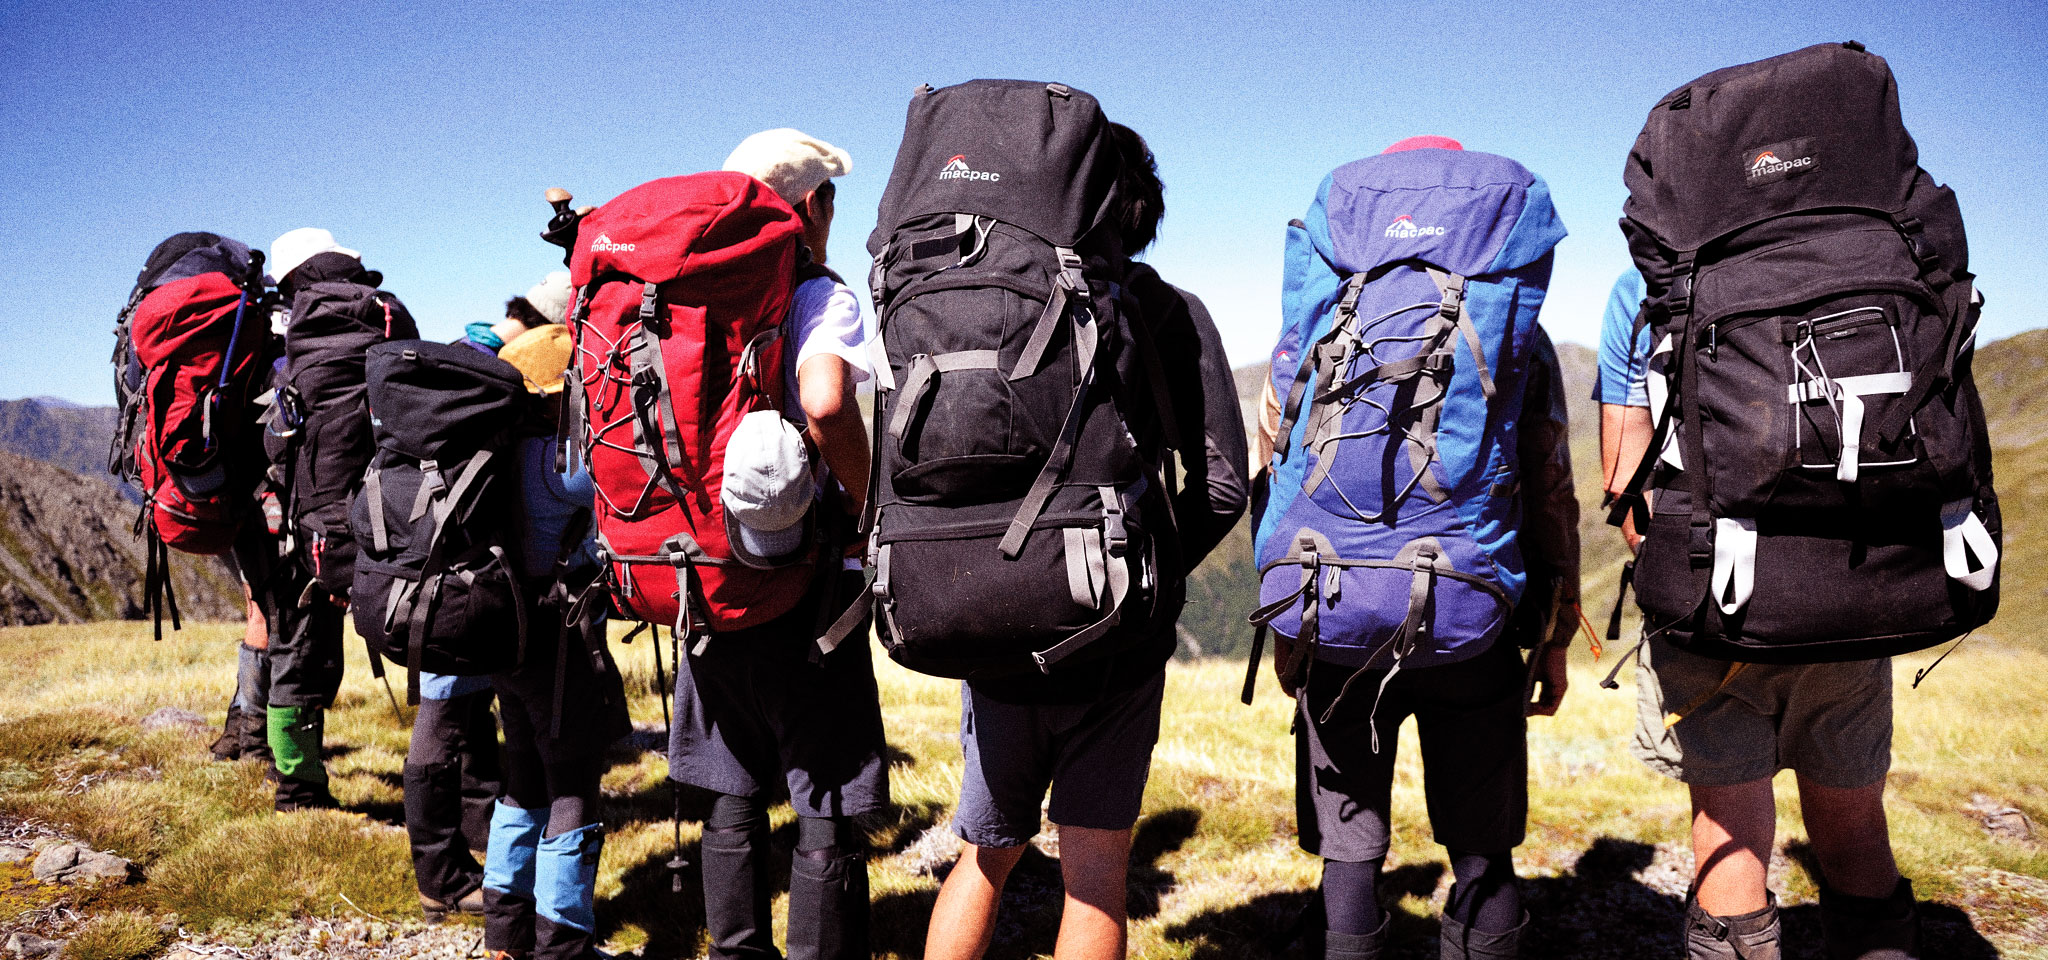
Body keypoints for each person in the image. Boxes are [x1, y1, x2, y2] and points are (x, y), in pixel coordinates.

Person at [921, 122, 1249, 960]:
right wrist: (1142, 577)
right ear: (1143, 211)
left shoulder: (975, 304)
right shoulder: (1170, 310)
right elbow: (1220, 486)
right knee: (1096, 871)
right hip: (1115, 640)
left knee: (985, 856)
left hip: (988, 621)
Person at [1253, 136, 1578, 960]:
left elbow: (1278, 469)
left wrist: (1288, 621)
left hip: (1330, 601)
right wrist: (1557, 626)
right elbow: (1549, 491)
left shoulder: (1321, 326)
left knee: (1351, 845)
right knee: (1481, 849)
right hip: (1471, 608)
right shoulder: (1517, 336)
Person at [1600, 277, 1920, 960]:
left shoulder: (1649, 281)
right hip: (1851, 590)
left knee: (1730, 835)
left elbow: (1625, 489)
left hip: (1712, 608)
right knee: (1855, 831)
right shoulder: (1860, 261)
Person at [663, 128, 885, 960]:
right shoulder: (817, 295)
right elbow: (825, 404)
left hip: (703, 572)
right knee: (822, 793)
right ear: (813, 209)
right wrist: (869, 509)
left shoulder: (687, 293)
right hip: (807, 578)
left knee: (732, 786)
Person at [478, 318, 632, 960]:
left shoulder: (496, 452)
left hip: (503, 631)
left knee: (522, 776)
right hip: (558, 636)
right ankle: (564, 942)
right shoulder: (564, 462)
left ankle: (505, 929)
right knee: (572, 780)